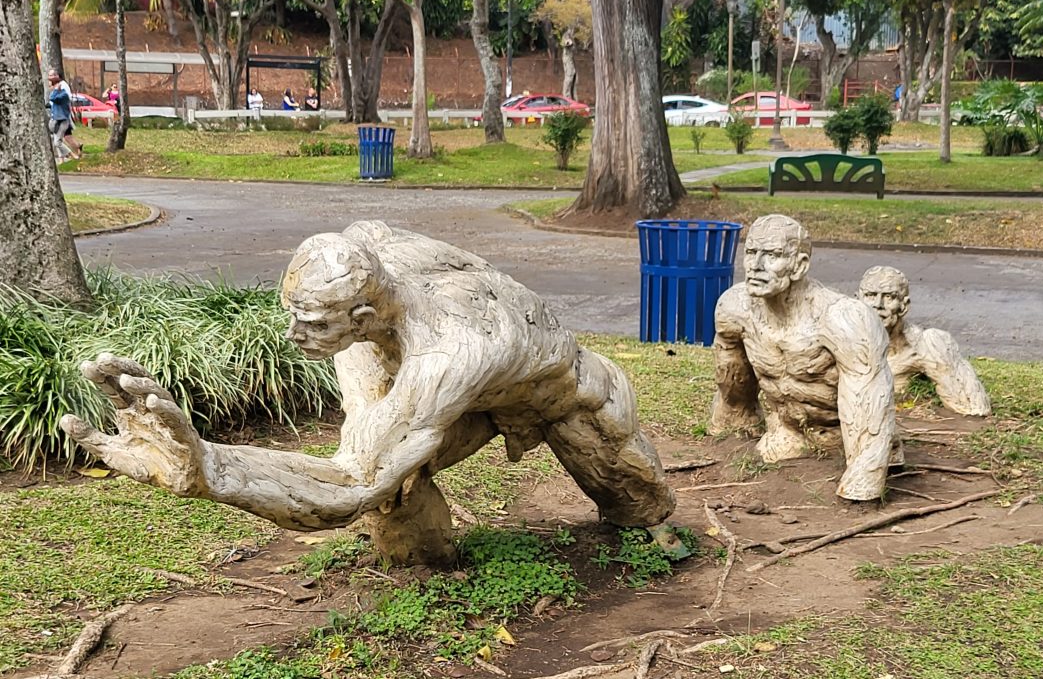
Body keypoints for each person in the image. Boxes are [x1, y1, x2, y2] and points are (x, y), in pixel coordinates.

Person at [61, 222, 681, 566]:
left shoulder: (449, 351)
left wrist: (210, 468)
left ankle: (649, 531)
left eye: (314, 325)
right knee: (397, 483)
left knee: (639, 504)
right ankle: (428, 570)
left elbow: (347, 485)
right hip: (448, 377)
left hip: (560, 394)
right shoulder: (371, 251)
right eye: (294, 314)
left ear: (362, 314)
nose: (294, 335)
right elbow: (362, 468)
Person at [710, 215, 895, 502]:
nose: (756, 265)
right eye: (750, 252)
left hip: (839, 437)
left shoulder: (844, 318)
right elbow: (731, 378)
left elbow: (871, 397)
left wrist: (864, 483)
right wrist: (731, 427)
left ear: (800, 265)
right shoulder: (735, 308)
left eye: (772, 255)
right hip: (785, 434)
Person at [857, 266, 992, 417]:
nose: (878, 304)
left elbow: (974, 407)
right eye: (870, 295)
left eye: (889, 297)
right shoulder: (842, 342)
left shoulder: (925, 344)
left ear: (904, 306)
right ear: (857, 300)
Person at [47, 70, 83, 161]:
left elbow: (54, 99)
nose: (49, 84)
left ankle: (73, 153)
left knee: (61, 140)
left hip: (62, 119)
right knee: (58, 140)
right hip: (55, 119)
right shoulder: (57, 92)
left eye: (51, 79)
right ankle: (62, 158)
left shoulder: (62, 92)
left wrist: (56, 90)